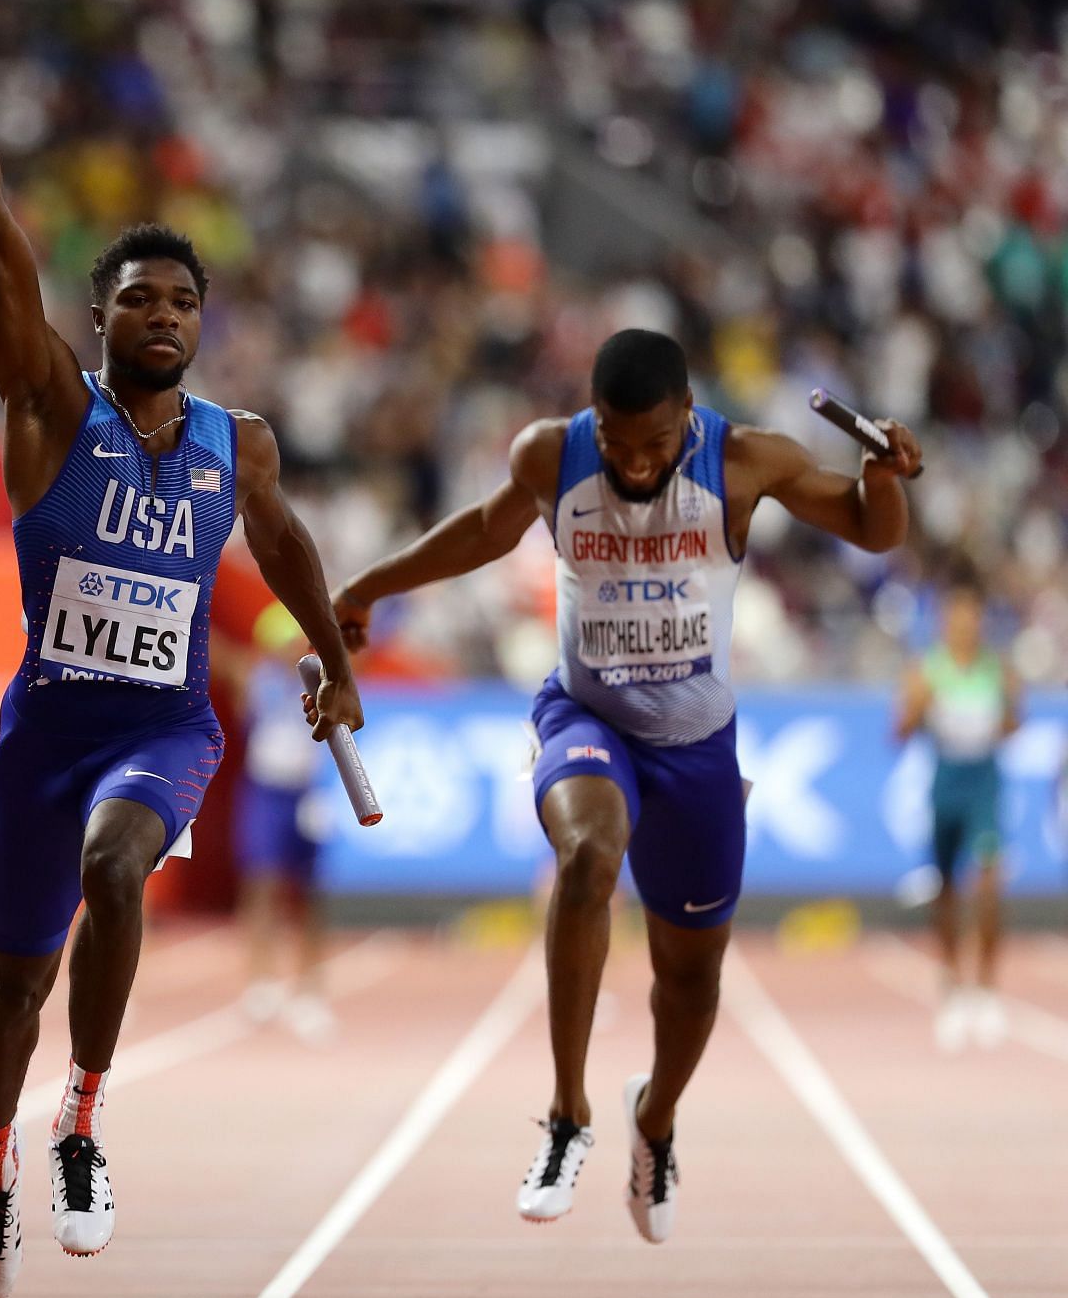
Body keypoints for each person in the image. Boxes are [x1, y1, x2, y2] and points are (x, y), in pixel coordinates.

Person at [0, 0, 364, 1298]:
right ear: (103, 319)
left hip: (162, 727)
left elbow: (286, 545)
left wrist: (335, 664)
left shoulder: (244, 443)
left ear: (201, 319)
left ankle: (84, 1119)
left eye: (181, 297)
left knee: (121, 872)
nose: (161, 312)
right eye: (136, 298)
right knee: (10, 980)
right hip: (45, 728)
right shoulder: (51, 406)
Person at [333, 329, 920, 1243]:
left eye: (654, 445)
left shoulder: (745, 459)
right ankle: (568, 1117)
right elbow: (484, 533)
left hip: (696, 746)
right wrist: (368, 586)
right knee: (586, 854)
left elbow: (869, 530)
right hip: (586, 714)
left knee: (690, 982)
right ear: (593, 420)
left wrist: (882, 479)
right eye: (617, 442)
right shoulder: (551, 453)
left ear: (688, 417)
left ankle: (654, 1119)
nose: (636, 464)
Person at [894, 569, 1019, 1051]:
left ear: (980, 620)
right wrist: (918, 708)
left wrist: (1003, 711)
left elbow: (1012, 727)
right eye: (956, 614)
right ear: (944, 620)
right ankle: (952, 985)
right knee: (945, 889)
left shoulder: (998, 669)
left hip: (983, 781)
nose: (964, 622)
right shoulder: (926, 670)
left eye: (972, 614)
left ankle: (986, 990)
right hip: (946, 783)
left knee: (989, 882)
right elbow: (898, 733)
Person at [232, 603, 335, 1043]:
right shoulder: (258, 680)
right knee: (260, 884)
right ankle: (260, 981)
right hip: (265, 792)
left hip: (307, 794)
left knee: (310, 894)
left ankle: (310, 989)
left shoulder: (321, 685)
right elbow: (227, 665)